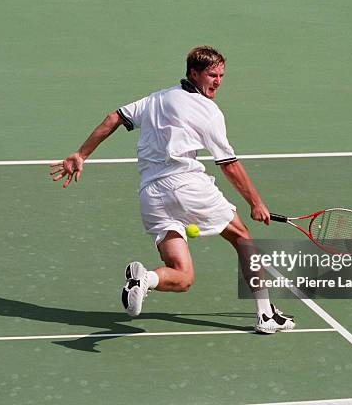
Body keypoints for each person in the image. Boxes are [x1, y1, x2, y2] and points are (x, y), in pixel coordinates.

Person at [50, 46, 295, 333]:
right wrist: (256, 202)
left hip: (151, 196)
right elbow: (228, 165)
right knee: (242, 238)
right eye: (211, 75)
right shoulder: (209, 112)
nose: (217, 81)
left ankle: (145, 280)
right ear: (193, 73)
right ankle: (265, 314)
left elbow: (113, 118)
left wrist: (82, 154)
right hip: (186, 186)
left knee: (183, 277)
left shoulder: (157, 99)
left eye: (221, 76)